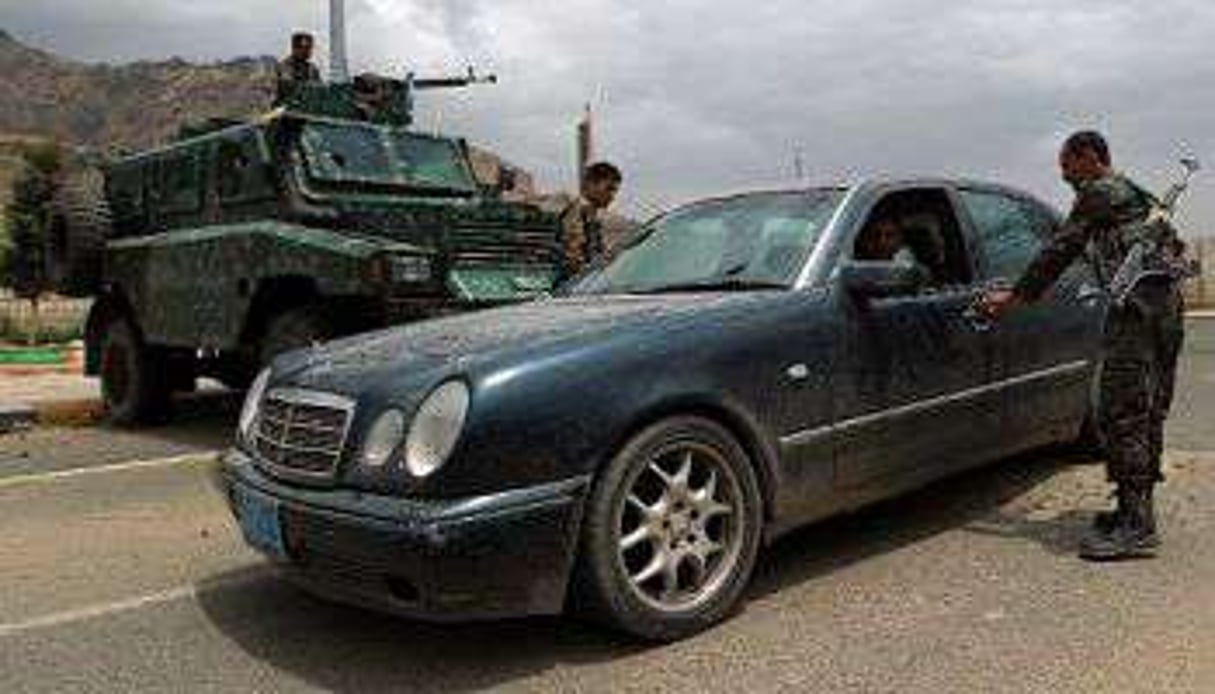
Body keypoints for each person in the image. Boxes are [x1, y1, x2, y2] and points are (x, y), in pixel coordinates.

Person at [980, 130, 1186, 561]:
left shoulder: (1101, 192)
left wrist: (1015, 297)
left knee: (1123, 409)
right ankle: (1133, 509)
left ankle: (1137, 525)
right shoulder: (1137, 194)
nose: (1065, 177)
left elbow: (1060, 248)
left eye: (1067, 167)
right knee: (1148, 408)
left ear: (1089, 157)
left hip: (1137, 314)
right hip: (1163, 311)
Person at [560, 161, 623, 276]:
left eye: (615, 191)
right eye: (609, 189)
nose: (612, 196)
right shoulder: (576, 213)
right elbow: (574, 260)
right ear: (591, 184)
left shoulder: (591, 216)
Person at [274, 32, 322, 104]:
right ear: (294, 49)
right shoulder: (285, 66)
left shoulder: (312, 68)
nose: (307, 51)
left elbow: (319, 87)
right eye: (304, 48)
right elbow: (289, 87)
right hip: (287, 108)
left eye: (309, 48)